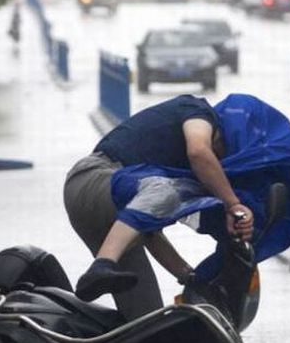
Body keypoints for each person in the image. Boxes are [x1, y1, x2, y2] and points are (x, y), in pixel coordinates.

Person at [64, 95, 254, 320]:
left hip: (98, 205)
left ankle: (104, 272)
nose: (218, 163)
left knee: (146, 319)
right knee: (167, 190)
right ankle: (102, 264)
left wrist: (190, 278)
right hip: (95, 178)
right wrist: (232, 203)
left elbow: (147, 231)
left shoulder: (145, 194)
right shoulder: (197, 110)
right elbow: (199, 152)